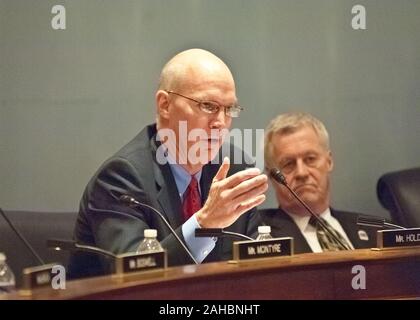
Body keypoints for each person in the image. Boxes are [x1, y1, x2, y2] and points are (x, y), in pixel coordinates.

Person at [68, 49, 268, 278]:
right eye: (208, 106)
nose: (221, 123)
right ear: (164, 105)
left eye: (229, 109)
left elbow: (255, 268)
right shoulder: (121, 178)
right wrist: (204, 223)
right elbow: (134, 276)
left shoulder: (235, 169)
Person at [258, 112, 377, 253]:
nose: (301, 173)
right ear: (271, 175)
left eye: (310, 159)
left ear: (329, 161)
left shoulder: (377, 230)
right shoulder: (254, 236)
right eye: (288, 164)